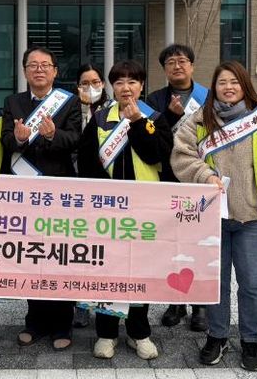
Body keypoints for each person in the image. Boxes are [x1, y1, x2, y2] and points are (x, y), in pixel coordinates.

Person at [171, 60, 257, 372]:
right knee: (217, 282)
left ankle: (251, 340)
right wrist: (205, 176)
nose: (228, 87)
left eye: (235, 82)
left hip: (251, 216)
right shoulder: (199, 120)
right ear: (214, 87)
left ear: (244, 86)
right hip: (212, 218)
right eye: (222, 82)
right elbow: (181, 155)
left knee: (251, 283)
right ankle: (217, 336)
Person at [78, 59, 173, 360]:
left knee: (140, 271)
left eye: (132, 82)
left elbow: (157, 155)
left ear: (141, 86)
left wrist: (136, 123)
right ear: (112, 87)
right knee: (107, 270)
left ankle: (138, 331)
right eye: (119, 82)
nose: (126, 88)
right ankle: (106, 332)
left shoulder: (154, 118)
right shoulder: (100, 119)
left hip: (144, 210)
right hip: (107, 210)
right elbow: (87, 162)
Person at [2, 46, 82, 350]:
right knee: (32, 255)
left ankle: (62, 323)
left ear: (55, 71)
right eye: (33, 65)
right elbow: (5, 139)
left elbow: (75, 138)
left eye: (45, 65)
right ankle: (35, 321)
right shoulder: (13, 102)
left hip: (60, 191)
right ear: (25, 71)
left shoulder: (69, 101)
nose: (39, 69)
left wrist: (51, 136)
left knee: (60, 255)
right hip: (26, 190)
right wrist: (18, 138)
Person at [146, 43, 209, 331]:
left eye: (182, 61)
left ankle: (200, 306)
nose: (177, 66)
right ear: (164, 69)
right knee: (172, 244)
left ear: (192, 66)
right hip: (169, 179)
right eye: (170, 62)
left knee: (199, 243)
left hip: (200, 179)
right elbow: (152, 137)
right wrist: (170, 117)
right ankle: (175, 303)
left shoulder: (208, 97)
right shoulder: (155, 99)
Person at [73, 63, 110, 328]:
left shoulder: (113, 110)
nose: (91, 87)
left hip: (104, 190)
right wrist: (84, 109)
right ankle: (80, 304)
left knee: (104, 250)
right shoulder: (69, 109)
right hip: (74, 188)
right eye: (85, 83)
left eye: (95, 82)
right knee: (79, 249)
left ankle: (106, 303)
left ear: (103, 84)